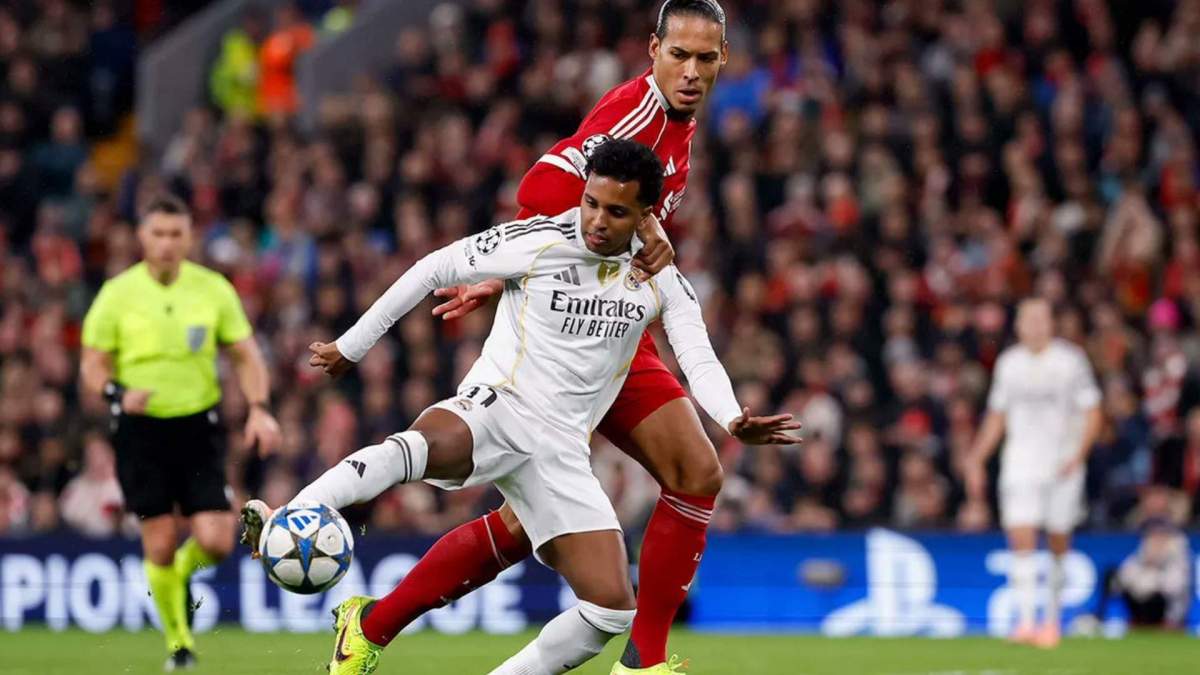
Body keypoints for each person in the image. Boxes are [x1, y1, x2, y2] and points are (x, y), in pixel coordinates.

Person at [242, 139, 798, 675]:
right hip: (498, 408)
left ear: (647, 217)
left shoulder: (662, 281)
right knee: (419, 447)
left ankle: (382, 627)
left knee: (611, 610)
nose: (597, 220)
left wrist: (730, 417)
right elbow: (434, 268)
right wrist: (352, 345)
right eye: (591, 203)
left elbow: (697, 356)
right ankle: (287, 515)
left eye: (616, 211)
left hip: (560, 451)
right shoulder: (537, 240)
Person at [416, 2, 730, 670]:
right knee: (690, 471)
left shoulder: (679, 120)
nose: (693, 70)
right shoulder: (637, 118)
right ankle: (643, 660)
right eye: (680, 55)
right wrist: (515, 272)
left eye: (707, 58)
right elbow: (542, 186)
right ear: (654, 50)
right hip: (578, 333)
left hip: (614, 328)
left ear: (723, 58)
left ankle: (372, 626)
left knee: (536, 516)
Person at [80, 194, 282, 671]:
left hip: (197, 426)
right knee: (159, 543)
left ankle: (177, 578)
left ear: (190, 237)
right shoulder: (118, 293)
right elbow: (92, 361)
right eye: (158, 233)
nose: (167, 243)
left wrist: (259, 408)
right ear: (141, 237)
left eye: (176, 234)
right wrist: (115, 393)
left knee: (215, 540)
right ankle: (180, 645)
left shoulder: (212, 289)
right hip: (140, 430)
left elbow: (246, 356)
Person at [967, 298, 1103, 648]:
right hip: (1020, 462)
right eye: (1029, 319)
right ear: (1019, 325)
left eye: (1042, 319)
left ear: (1051, 323)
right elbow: (997, 416)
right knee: (1021, 538)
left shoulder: (1071, 360)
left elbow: (1092, 411)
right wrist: (977, 458)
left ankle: (1052, 621)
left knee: (1058, 539)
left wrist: (1079, 454)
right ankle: (1026, 622)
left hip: (1062, 463)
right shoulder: (1009, 364)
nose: (1036, 326)